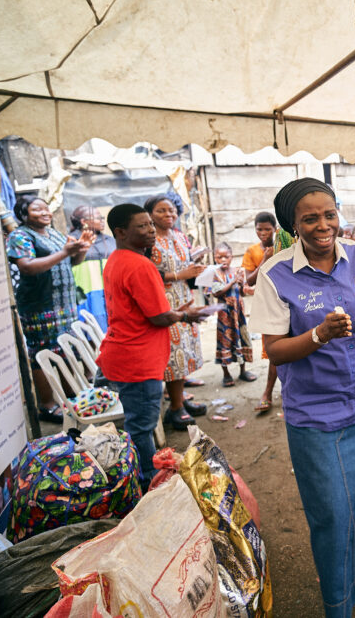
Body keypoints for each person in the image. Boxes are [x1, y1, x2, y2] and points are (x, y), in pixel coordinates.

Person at [248, 178, 355, 616]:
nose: (322, 225)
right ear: (293, 225)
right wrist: (317, 335)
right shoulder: (276, 274)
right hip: (315, 413)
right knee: (331, 510)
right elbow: (275, 350)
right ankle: (338, 599)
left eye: (329, 214)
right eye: (310, 218)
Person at [98, 204, 211, 490]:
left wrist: (178, 312)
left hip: (128, 354)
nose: (150, 230)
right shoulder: (140, 265)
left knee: (140, 424)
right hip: (137, 360)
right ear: (121, 232)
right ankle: (149, 482)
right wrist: (187, 315)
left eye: (150, 224)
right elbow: (158, 317)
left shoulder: (117, 259)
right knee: (141, 427)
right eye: (143, 226)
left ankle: (145, 477)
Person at [7, 195, 92, 421]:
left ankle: (71, 397)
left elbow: (72, 261)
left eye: (47, 209)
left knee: (66, 351)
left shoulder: (54, 233)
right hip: (39, 306)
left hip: (64, 305)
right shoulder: (20, 236)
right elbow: (26, 266)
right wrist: (66, 251)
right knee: (41, 354)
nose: (45, 213)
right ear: (24, 214)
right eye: (37, 209)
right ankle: (46, 404)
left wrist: (80, 249)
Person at [144, 195, 208, 429]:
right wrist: (179, 275)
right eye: (161, 211)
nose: (168, 215)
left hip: (183, 298)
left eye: (171, 210)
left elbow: (183, 265)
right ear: (149, 214)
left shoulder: (179, 235)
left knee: (185, 351)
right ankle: (175, 408)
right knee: (172, 355)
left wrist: (194, 262)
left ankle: (179, 401)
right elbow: (148, 274)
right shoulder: (148, 241)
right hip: (164, 301)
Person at [243, 211, 279, 413]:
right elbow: (249, 280)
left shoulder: (284, 246)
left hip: (285, 302)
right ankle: (267, 393)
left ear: (275, 229)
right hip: (267, 305)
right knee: (274, 350)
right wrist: (265, 259)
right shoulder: (253, 251)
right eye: (259, 229)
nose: (263, 233)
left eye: (267, 229)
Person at [208, 243, 255, 388]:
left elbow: (241, 292)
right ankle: (226, 374)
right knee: (224, 341)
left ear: (231, 257)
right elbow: (217, 292)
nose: (223, 259)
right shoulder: (214, 274)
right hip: (225, 314)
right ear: (215, 258)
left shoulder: (237, 271)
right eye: (219, 257)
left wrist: (241, 285)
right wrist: (233, 282)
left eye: (226, 257)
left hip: (238, 312)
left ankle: (243, 370)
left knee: (242, 337)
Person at [68, 205, 116, 332]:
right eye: (97, 218)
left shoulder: (110, 240)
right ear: (84, 221)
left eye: (102, 217)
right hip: (85, 295)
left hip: (109, 293)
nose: (102, 220)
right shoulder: (72, 240)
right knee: (91, 332)